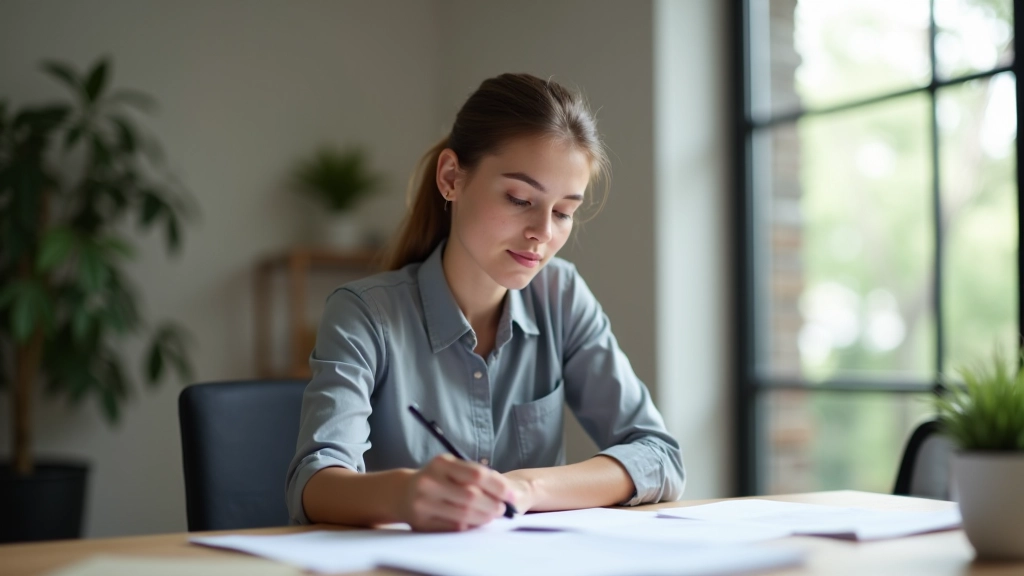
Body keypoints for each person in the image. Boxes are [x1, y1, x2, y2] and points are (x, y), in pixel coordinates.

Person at [286, 73, 684, 532]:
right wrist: (406, 494)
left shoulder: (561, 296)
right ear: (452, 177)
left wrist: (526, 489)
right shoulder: (364, 314)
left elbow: (659, 455)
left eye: (563, 212)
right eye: (519, 199)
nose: (543, 233)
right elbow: (312, 482)